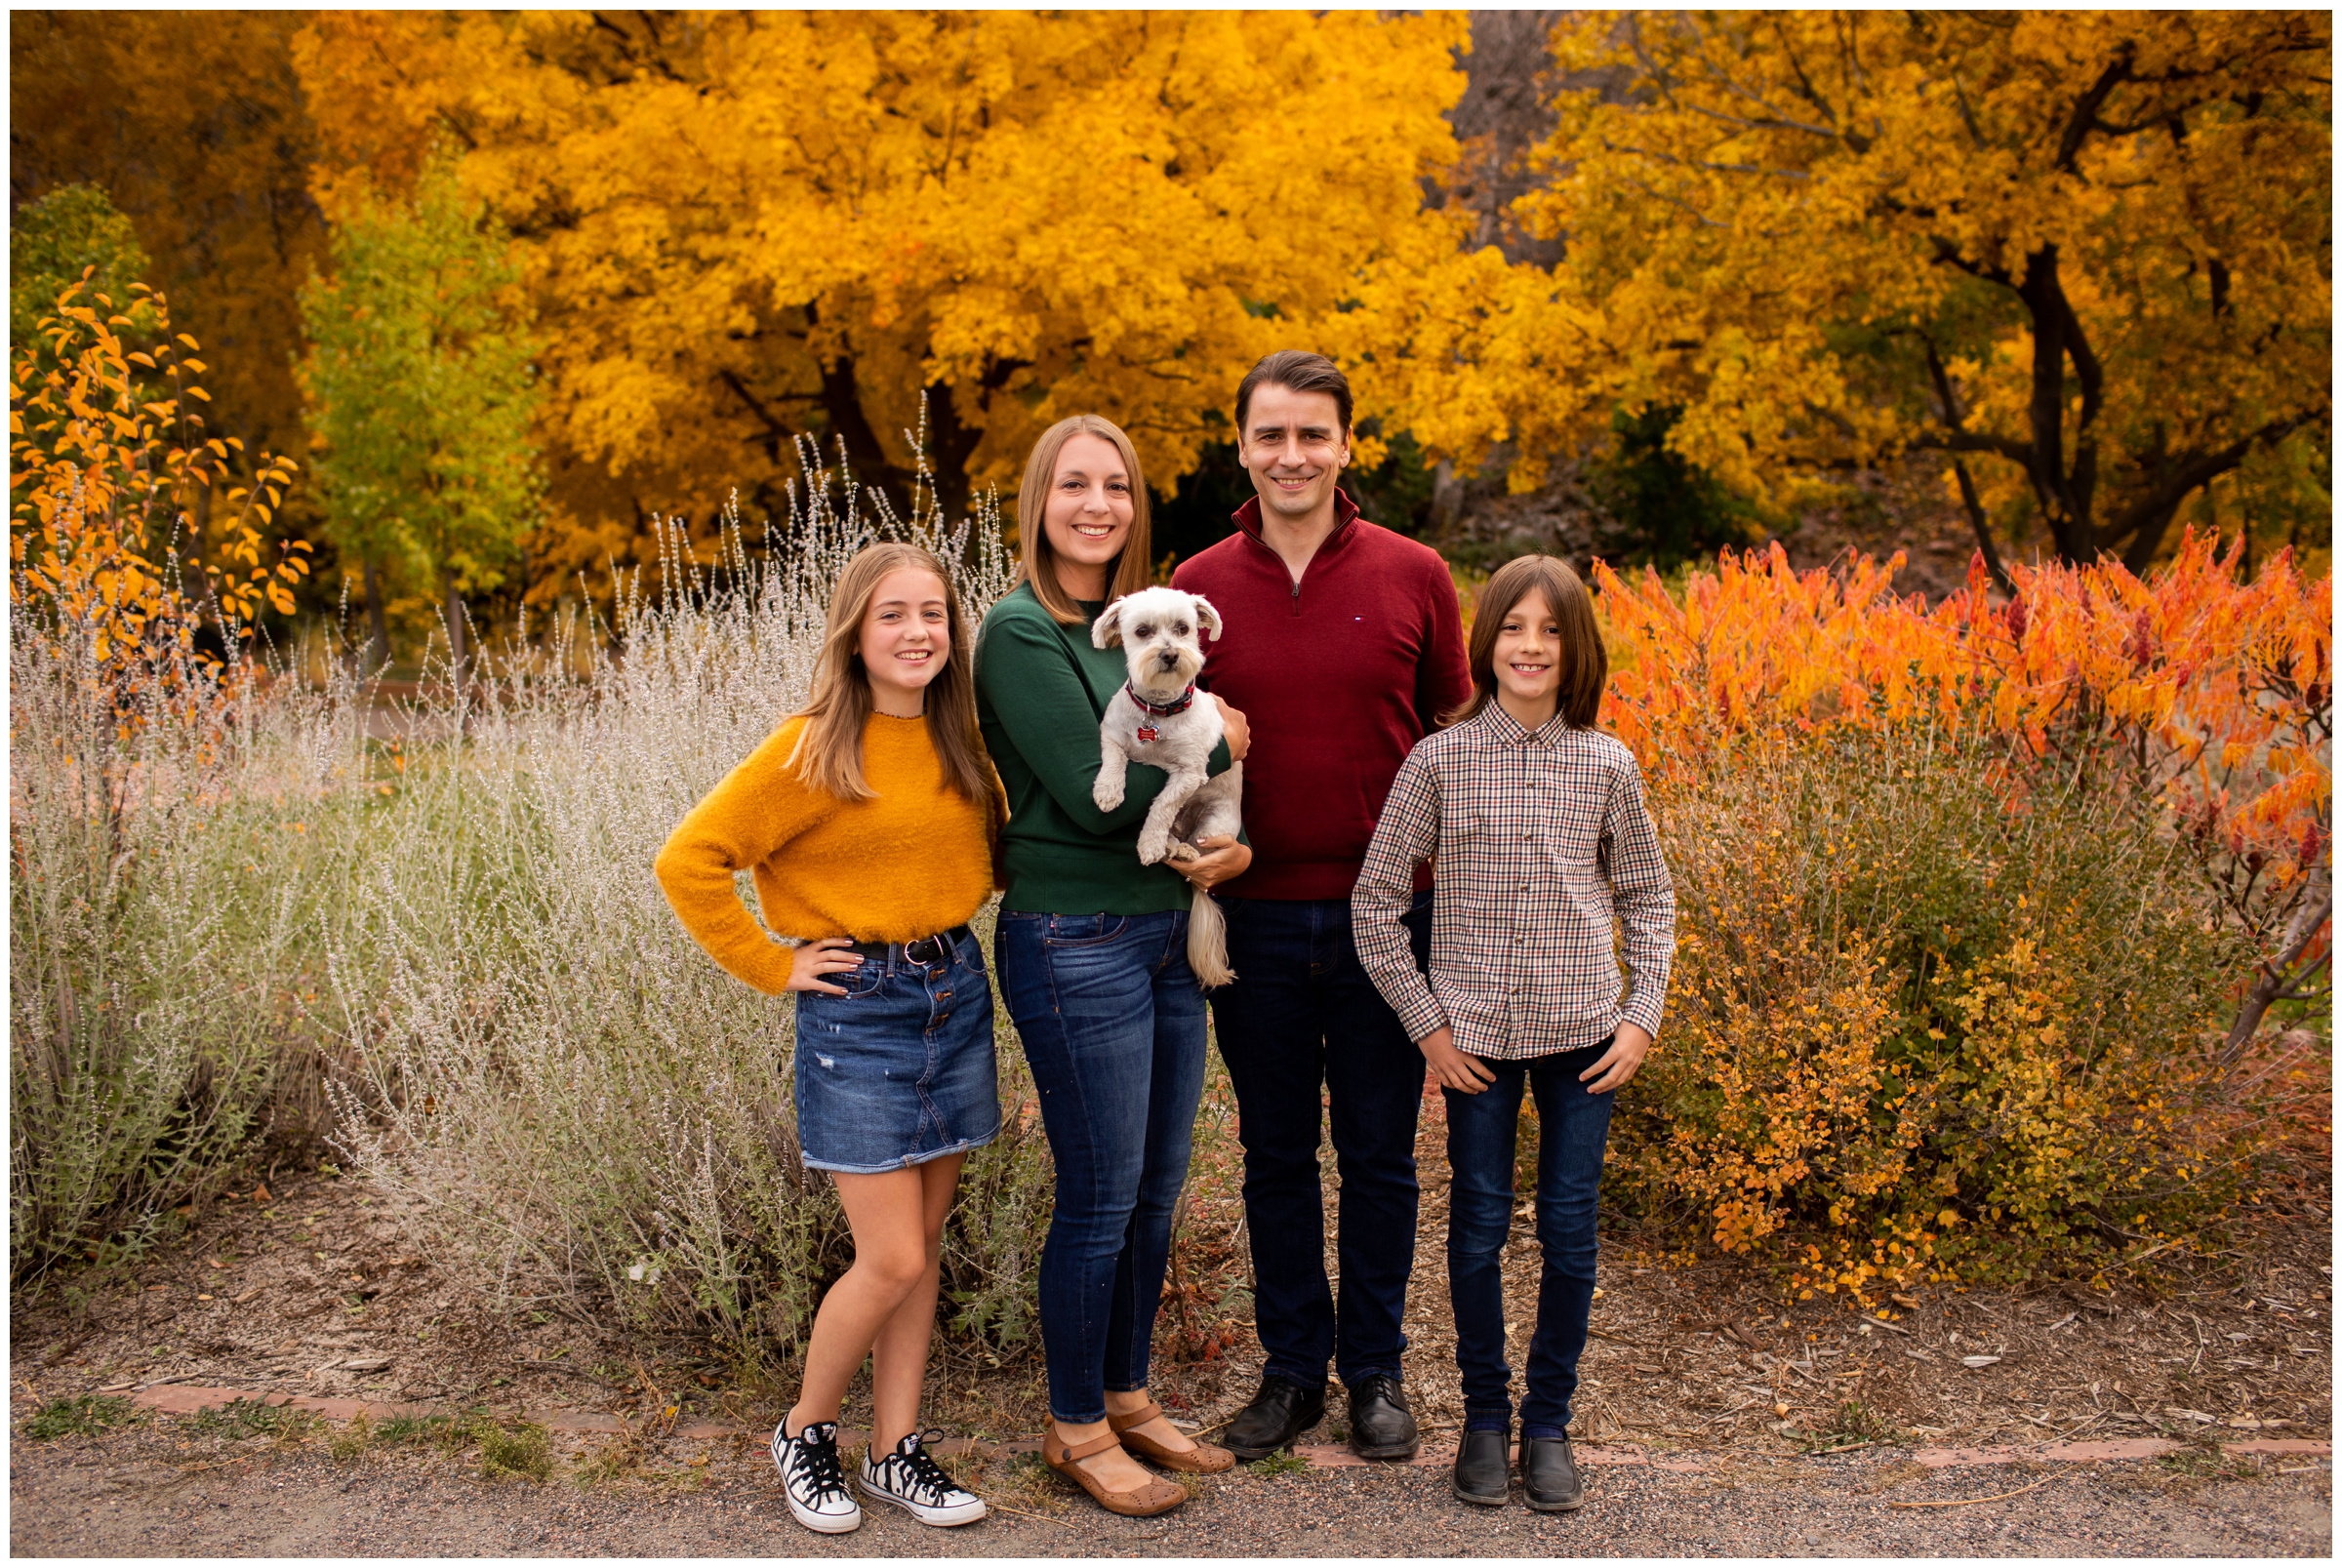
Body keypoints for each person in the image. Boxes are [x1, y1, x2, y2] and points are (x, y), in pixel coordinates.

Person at [655, 542, 1001, 1537]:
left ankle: (896, 1449)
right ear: (855, 631)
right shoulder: (812, 746)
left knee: (925, 1247)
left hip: (953, 989)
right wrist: (773, 962)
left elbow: (995, 852)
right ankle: (805, 1428)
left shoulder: (961, 740)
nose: (917, 631)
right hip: (860, 1008)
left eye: (933, 612)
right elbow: (690, 858)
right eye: (893, 614)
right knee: (888, 1255)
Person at [1169, 350, 1473, 1462]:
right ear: (1241, 444)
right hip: (1250, 918)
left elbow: (1453, 735)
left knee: (1384, 1155)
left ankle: (1376, 1372)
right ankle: (1293, 1371)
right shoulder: (1197, 586)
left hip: (1389, 924)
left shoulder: (1415, 573)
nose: (1291, 454)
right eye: (1270, 435)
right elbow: (1164, 736)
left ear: (1347, 445)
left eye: (1313, 435)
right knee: (1277, 1156)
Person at [1352, 554, 1676, 1512]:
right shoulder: (1440, 759)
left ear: (1576, 649)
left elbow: (1648, 893)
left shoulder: (1607, 762)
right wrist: (1428, 1028)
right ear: (1483, 642)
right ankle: (1486, 1420)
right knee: (1480, 1228)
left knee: (1571, 1232)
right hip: (1476, 1045)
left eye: (1551, 630)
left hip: (1585, 1038)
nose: (1531, 646)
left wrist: (1642, 1012)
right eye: (1513, 627)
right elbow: (1375, 903)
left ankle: (1549, 1423)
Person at [974, 414, 1250, 1517]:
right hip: (1072, 935)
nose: (1098, 505)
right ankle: (1075, 1423)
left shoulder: (1139, 620)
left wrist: (1228, 820)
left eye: (1118, 488)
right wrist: (1227, 740)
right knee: (1098, 1194)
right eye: (1075, 485)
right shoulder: (1023, 631)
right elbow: (1119, 801)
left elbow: (1190, 774)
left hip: (1166, 929)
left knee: (1156, 1185)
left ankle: (1129, 1393)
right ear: (1040, 497)